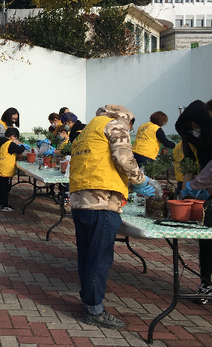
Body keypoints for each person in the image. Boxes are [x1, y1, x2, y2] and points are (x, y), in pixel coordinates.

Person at [69, 104, 157, 330]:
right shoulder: (116, 125)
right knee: (100, 258)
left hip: (80, 200)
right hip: (102, 200)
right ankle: (95, 310)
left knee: (87, 255)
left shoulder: (89, 129)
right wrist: (141, 180)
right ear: (128, 122)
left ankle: (88, 301)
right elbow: (124, 158)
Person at [175, 99, 212, 304]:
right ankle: (206, 285)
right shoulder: (189, 142)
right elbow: (188, 166)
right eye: (189, 128)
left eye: (196, 127)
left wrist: (197, 186)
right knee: (207, 242)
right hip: (205, 193)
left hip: (206, 188)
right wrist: (186, 192)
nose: (193, 131)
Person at [0, 128, 28, 212]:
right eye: (16, 138)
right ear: (13, 136)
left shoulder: (0, 141)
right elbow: (19, 150)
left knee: (2, 187)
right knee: (6, 188)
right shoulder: (9, 144)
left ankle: (1, 203)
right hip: (6, 169)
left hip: (0, 167)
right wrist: (22, 145)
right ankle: (4, 205)